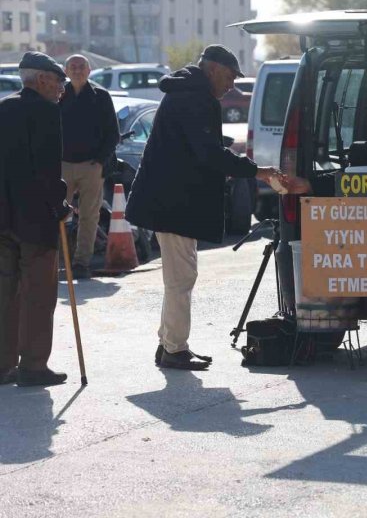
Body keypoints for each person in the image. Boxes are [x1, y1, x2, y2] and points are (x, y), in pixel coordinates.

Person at [126, 45, 308, 371]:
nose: (232, 86)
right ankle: (174, 349)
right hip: (173, 203)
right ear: (211, 69)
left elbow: (201, 149)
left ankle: (168, 342)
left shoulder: (188, 94)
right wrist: (258, 170)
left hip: (172, 200)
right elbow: (208, 153)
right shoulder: (194, 98)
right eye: (228, 77)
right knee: (181, 279)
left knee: (180, 277)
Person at [0, 52, 70, 387]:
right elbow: (46, 169)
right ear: (41, 79)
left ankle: (2, 365)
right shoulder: (44, 111)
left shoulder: (4, 107)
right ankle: (32, 366)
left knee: (5, 292)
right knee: (38, 295)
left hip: (3, 215)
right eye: (58, 82)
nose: (61, 90)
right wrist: (60, 205)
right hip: (34, 218)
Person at [60, 54, 119, 279]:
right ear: (65, 71)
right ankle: (59, 261)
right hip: (63, 166)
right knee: (57, 215)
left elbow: (112, 134)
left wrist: (99, 161)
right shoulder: (58, 95)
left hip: (91, 166)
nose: (77, 70)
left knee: (89, 216)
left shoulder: (101, 96)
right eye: (72, 66)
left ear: (89, 70)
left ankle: (81, 263)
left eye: (81, 66)